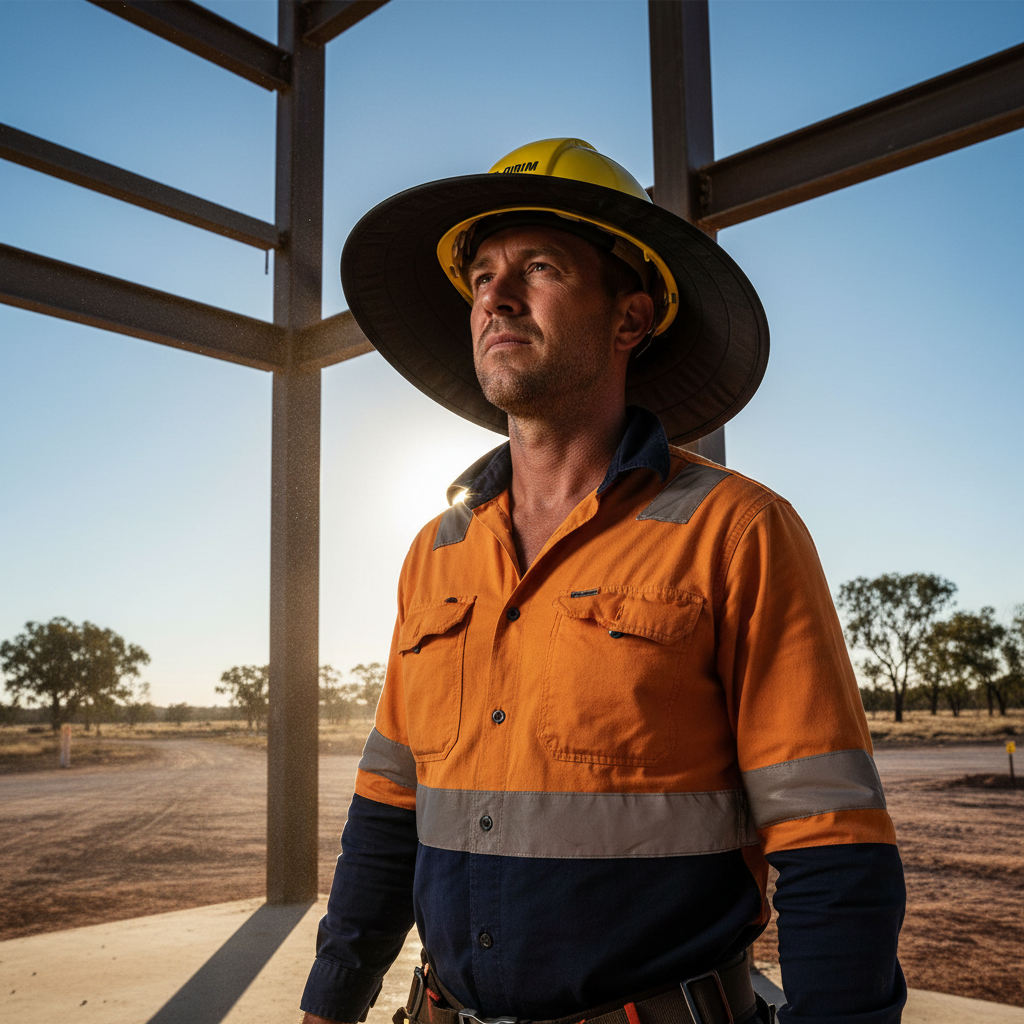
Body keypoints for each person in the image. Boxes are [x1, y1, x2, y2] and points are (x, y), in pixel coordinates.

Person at [300, 139, 906, 1024]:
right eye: (481, 277)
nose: (496, 297)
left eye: (539, 268)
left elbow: (832, 843)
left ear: (631, 319)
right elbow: (387, 814)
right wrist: (330, 1005)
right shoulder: (437, 550)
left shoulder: (736, 531)